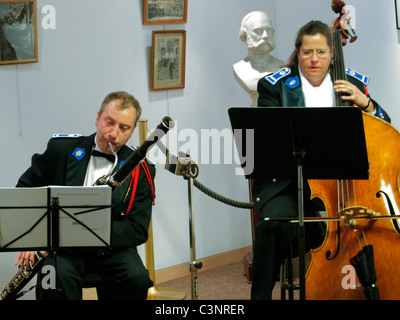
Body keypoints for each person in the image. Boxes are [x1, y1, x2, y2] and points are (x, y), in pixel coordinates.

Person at [251, 20, 391, 300]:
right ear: (297, 52)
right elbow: (265, 145)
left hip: (345, 187)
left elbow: (384, 128)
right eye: (307, 52)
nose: (314, 59)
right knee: (271, 224)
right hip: (291, 184)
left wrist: (367, 105)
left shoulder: (352, 84)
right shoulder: (275, 87)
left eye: (321, 52)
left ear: (332, 54)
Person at [14, 91, 155, 300]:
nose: (113, 133)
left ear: (132, 130)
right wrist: (31, 239)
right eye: (109, 122)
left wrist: (92, 230)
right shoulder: (60, 150)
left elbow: (138, 230)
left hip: (112, 250)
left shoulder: (141, 169)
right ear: (97, 118)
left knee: (137, 279)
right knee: (50, 277)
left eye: (124, 127)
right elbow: (24, 192)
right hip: (62, 250)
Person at [233, 11, 284, 106]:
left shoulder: (282, 68)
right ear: (245, 35)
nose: (265, 36)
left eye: (269, 30)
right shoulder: (239, 68)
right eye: (258, 31)